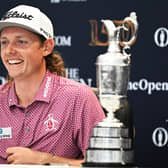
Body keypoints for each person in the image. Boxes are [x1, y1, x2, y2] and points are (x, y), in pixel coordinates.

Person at [0, 4, 105, 166]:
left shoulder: (77, 97)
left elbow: (105, 165)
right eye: (4, 42)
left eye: (21, 42)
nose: (9, 50)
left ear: (47, 47)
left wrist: (44, 160)